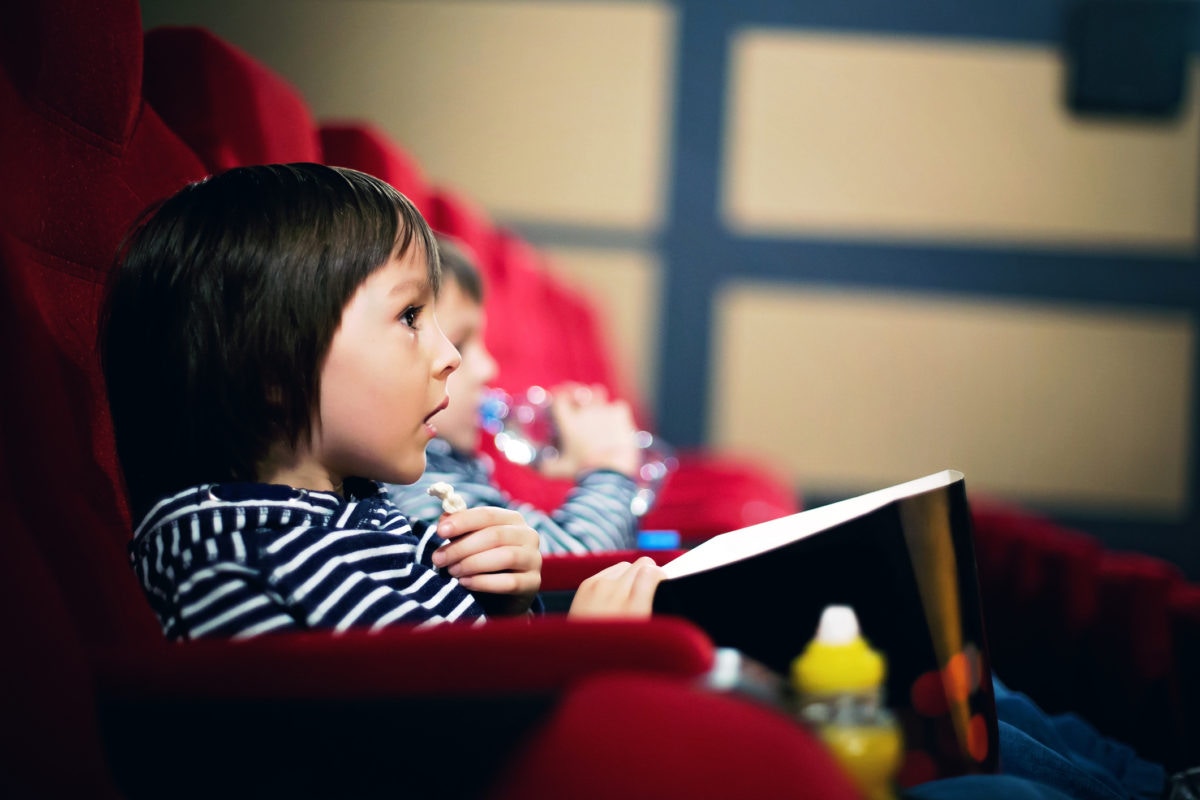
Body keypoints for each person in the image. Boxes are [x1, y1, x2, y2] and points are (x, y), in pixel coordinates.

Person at [100, 163, 665, 640]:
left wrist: (508, 602)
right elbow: (413, 739)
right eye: (410, 317)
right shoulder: (233, 555)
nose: (451, 357)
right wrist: (578, 649)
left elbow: (445, 657)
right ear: (272, 370)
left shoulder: (353, 509)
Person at [386, 235, 644, 554]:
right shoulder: (420, 485)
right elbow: (562, 566)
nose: (488, 369)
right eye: (461, 343)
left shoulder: (448, 468)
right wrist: (608, 466)